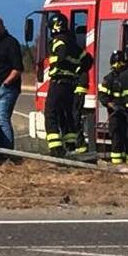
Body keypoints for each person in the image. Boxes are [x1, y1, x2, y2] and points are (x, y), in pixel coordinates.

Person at [44, 13, 89, 156]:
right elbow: (88, 60)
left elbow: (60, 56)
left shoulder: (58, 42)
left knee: (50, 114)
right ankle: (71, 145)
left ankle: (56, 149)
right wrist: (77, 70)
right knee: (67, 115)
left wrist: (56, 67)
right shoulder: (73, 44)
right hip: (70, 85)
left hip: (58, 82)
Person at [0, 15, 24, 149]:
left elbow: (18, 69)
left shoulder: (10, 43)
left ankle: (8, 151)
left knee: (2, 119)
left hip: (8, 88)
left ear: (0, 27)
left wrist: (6, 84)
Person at [98, 50, 127, 164]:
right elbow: (103, 96)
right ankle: (117, 163)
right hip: (115, 114)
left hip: (127, 112)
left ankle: (125, 161)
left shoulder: (127, 76)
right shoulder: (109, 79)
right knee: (116, 138)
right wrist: (112, 106)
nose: (119, 65)